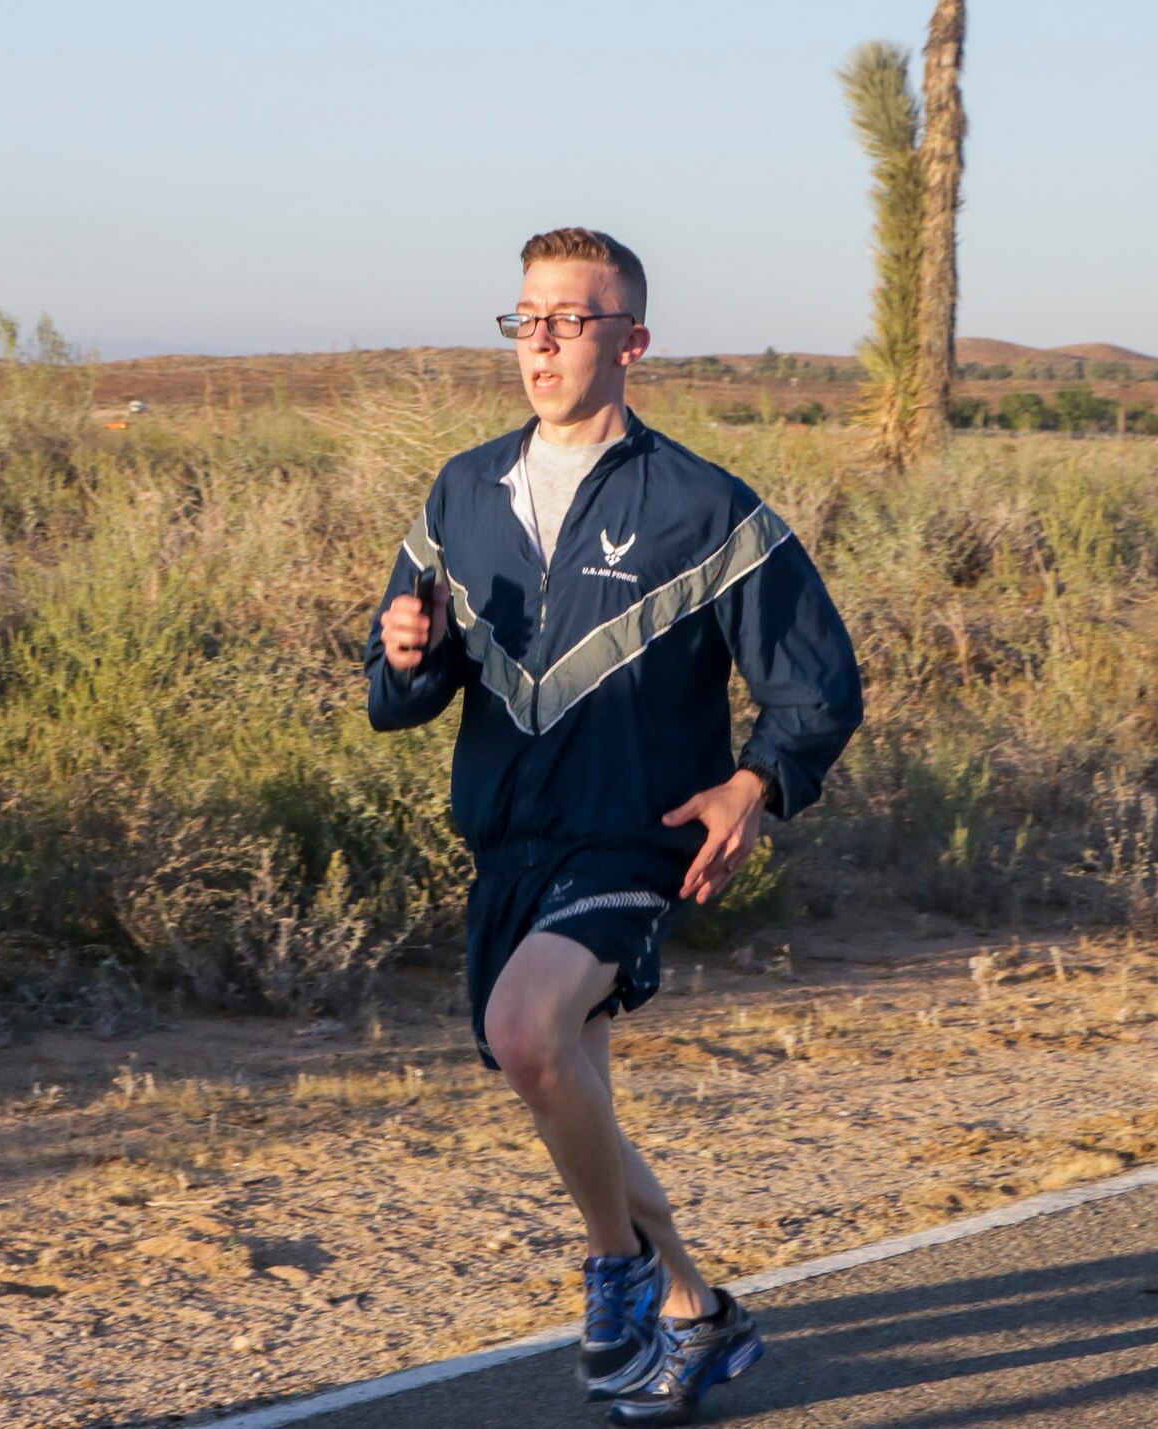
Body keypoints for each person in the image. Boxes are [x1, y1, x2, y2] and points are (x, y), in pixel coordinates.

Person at [364, 227, 862, 1425]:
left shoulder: (702, 504)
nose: (539, 342)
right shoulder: (459, 491)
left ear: (630, 339)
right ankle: (697, 1310)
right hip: (505, 840)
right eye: (524, 319)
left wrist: (753, 785)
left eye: (568, 320)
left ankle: (619, 1280)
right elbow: (401, 697)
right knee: (561, 1076)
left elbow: (817, 682)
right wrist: (400, 656)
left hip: (628, 839)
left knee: (531, 1034)